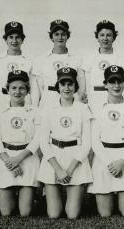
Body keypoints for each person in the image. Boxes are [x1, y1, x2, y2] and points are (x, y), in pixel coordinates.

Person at [37, 67, 92, 219]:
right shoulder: (48, 108)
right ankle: (49, 195)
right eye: (63, 84)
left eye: (70, 84)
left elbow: (86, 144)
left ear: (75, 86)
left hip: (75, 158)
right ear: (58, 86)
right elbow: (43, 142)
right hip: (54, 158)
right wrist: (59, 170)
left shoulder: (83, 108)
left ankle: (74, 195)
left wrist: (69, 170)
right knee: (54, 214)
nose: (66, 88)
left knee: (72, 215)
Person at [88, 65, 124, 217]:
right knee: (105, 214)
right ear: (105, 84)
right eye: (112, 82)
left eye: (119, 82)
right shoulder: (97, 108)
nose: (116, 86)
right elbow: (95, 141)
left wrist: (122, 162)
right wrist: (109, 164)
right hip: (104, 160)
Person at [0, 70, 41, 216]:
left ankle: (32, 197)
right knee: (6, 212)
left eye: (22, 88)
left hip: (27, 158)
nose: (17, 92)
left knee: (25, 212)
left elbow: (38, 139)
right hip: (5, 159)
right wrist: (9, 162)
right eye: (14, 88)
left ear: (27, 90)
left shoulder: (35, 111)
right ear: (7, 89)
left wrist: (18, 159)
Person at [32, 20, 83, 108]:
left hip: (69, 99)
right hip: (48, 99)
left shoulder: (77, 59)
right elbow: (38, 88)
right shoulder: (41, 59)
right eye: (56, 34)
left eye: (63, 34)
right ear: (51, 37)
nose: (60, 37)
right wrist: (35, 107)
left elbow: (80, 86)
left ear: (67, 36)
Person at [80, 20, 124, 111]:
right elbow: (86, 83)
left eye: (109, 35)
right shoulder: (89, 58)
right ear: (97, 37)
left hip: (115, 98)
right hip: (94, 99)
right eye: (102, 35)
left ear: (114, 38)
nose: (105, 38)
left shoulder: (122, 59)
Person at [0, 21, 36, 108]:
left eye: (17, 37)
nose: (14, 41)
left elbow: (33, 88)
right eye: (11, 37)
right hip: (2, 99)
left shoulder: (30, 60)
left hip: (24, 100)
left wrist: (33, 107)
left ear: (22, 40)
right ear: (5, 39)